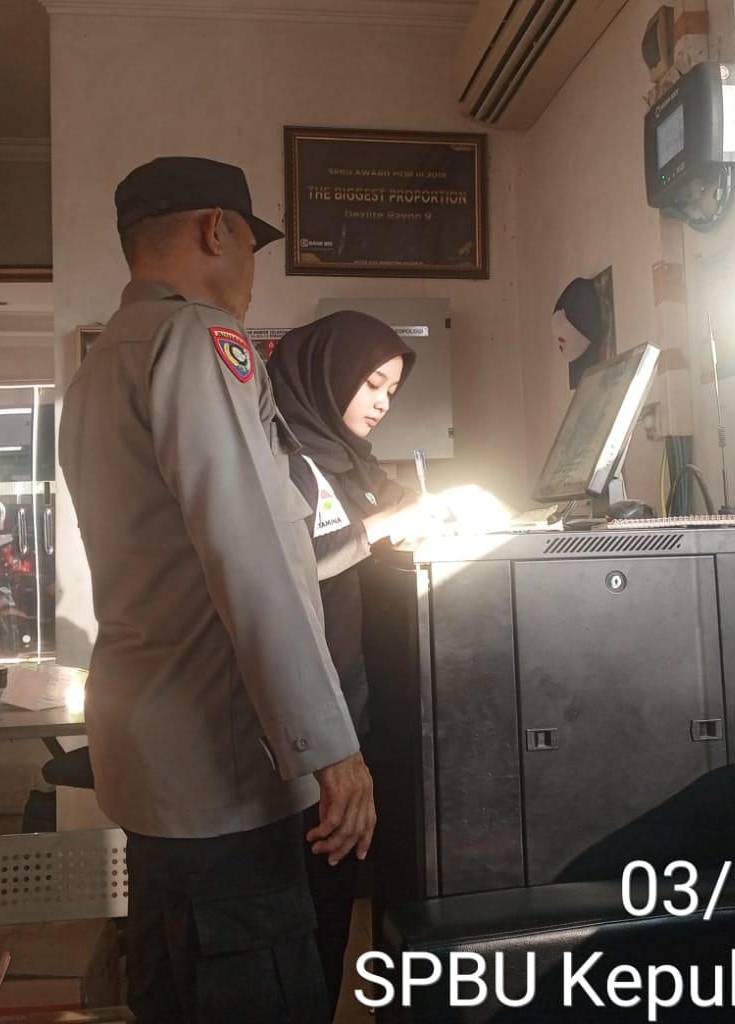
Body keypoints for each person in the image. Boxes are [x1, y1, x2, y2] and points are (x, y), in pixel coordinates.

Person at [58, 156, 375, 1024]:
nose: (250, 272)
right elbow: (254, 557)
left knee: (170, 991)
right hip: (222, 771)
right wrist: (331, 748)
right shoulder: (198, 341)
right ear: (216, 230)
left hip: (149, 765)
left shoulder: (99, 366)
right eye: (250, 248)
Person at [267, 311, 444, 1013]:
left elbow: (392, 508)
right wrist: (385, 525)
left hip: (358, 718)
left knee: (337, 923)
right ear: (328, 374)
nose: (380, 402)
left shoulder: (350, 462)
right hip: (303, 734)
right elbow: (286, 567)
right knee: (304, 935)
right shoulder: (280, 458)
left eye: (391, 391)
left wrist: (431, 510)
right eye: (371, 383)